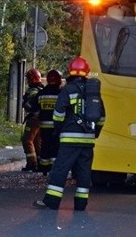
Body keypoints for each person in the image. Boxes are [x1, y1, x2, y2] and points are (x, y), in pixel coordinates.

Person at [39, 56, 106, 211]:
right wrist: (95, 133)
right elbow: (101, 117)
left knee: (60, 169)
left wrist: (59, 129)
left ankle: (52, 201)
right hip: (88, 140)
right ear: (86, 72)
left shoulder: (68, 90)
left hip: (69, 139)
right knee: (83, 172)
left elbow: (58, 115)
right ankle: (81, 204)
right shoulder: (93, 93)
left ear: (70, 71)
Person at [35, 69, 63, 173]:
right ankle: (55, 169)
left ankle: (44, 169)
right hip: (58, 127)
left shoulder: (41, 93)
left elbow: (31, 106)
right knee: (56, 148)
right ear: (59, 80)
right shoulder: (62, 94)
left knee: (45, 147)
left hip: (44, 127)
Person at [20, 68, 44, 171]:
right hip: (41, 119)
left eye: (29, 78)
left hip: (34, 118)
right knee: (36, 141)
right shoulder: (41, 89)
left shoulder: (33, 90)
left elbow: (30, 104)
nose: (28, 80)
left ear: (32, 79)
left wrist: (26, 103)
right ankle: (39, 163)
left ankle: (32, 163)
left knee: (27, 140)